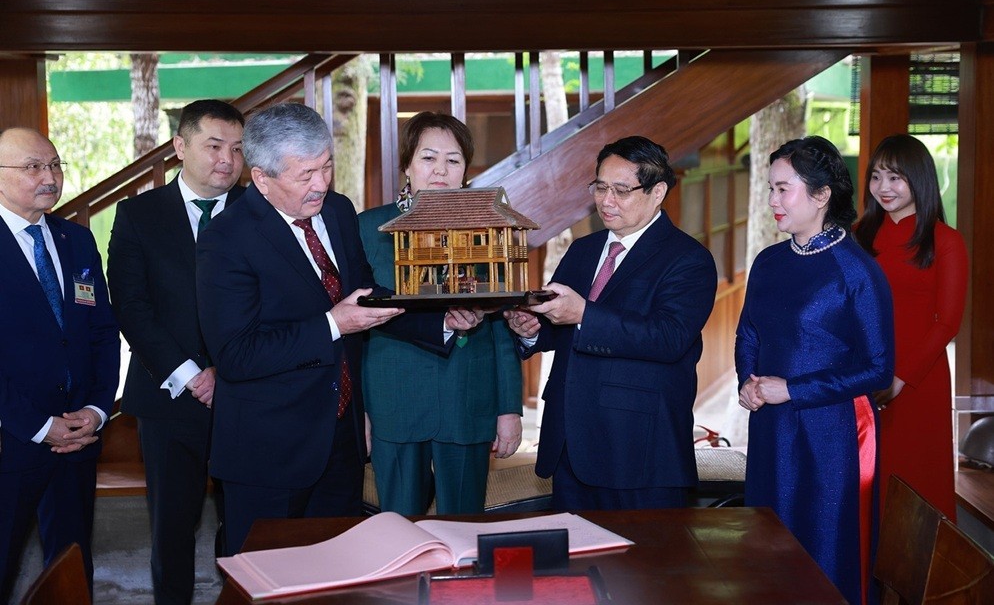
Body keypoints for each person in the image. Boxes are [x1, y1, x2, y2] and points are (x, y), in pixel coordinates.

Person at [195, 102, 483, 554]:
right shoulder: (226, 240)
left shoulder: (337, 211)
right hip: (270, 452)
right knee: (266, 577)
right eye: (305, 174)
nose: (321, 185)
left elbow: (365, 295)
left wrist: (439, 321)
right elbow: (237, 354)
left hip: (340, 440)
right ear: (262, 178)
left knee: (338, 574)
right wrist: (332, 323)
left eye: (327, 167)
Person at [504, 135, 717, 511]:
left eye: (621, 190)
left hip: (639, 448)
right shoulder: (584, 250)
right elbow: (566, 326)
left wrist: (583, 312)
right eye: (600, 187)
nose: (606, 200)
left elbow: (669, 338)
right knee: (580, 563)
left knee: (643, 567)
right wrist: (532, 331)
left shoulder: (688, 259)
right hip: (570, 439)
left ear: (658, 192)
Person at [736, 135, 894, 605]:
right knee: (768, 542)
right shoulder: (768, 261)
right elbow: (749, 333)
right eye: (770, 189)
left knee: (825, 549)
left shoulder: (857, 271)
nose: (771, 201)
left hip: (835, 433)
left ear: (822, 194)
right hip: (772, 425)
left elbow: (879, 369)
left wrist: (793, 389)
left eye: (783, 189)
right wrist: (750, 381)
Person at [107, 99, 245, 604]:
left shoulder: (259, 210)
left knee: (245, 521)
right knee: (172, 524)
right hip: (168, 397)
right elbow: (131, 305)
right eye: (213, 146)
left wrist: (225, 371)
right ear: (180, 147)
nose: (227, 160)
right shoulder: (138, 215)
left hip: (246, 392)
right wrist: (191, 374)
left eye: (236, 149)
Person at [359, 111, 522, 516]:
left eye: (453, 161)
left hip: (468, 396)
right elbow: (354, 326)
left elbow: (502, 325)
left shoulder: (489, 227)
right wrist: (359, 411)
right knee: (398, 528)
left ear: (465, 170)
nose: (440, 171)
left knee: (464, 526)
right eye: (428, 158)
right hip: (392, 396)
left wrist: (509, 408)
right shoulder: (368, 229)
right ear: (407, 165)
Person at [0, 128, 120, 600]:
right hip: (14, 437)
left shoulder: (76, 240)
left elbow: (102, 332)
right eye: (33, 167)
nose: (49, 177)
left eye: (54, 165)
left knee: (70, 564)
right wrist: (33, 425)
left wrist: (96, 409)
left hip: (78, 434)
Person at [854, 134, 968, 519]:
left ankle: (921, 578)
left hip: (921, 380)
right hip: (864, 375)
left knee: (919, 485)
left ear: (918, 179)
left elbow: (948, 322)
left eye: (896, 177)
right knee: (867, 482)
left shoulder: (946, 241)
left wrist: (900, 377)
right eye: (876, 176)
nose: (883, 188)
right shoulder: (859, 236)